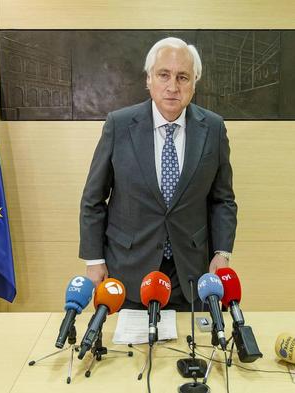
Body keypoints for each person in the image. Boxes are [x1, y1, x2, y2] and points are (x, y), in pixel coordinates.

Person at [79, 37, 237, 310]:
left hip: (191, 273)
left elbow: (223, 200)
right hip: (128, 270)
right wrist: (94, 261)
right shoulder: (119, 125)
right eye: (164, 75)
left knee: (189, 350)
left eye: (183, 77)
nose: (172, 87)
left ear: (194, 82)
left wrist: (222, 254)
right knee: (131, 351)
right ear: (149, 78)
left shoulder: (213, 128)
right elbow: (93, 199)